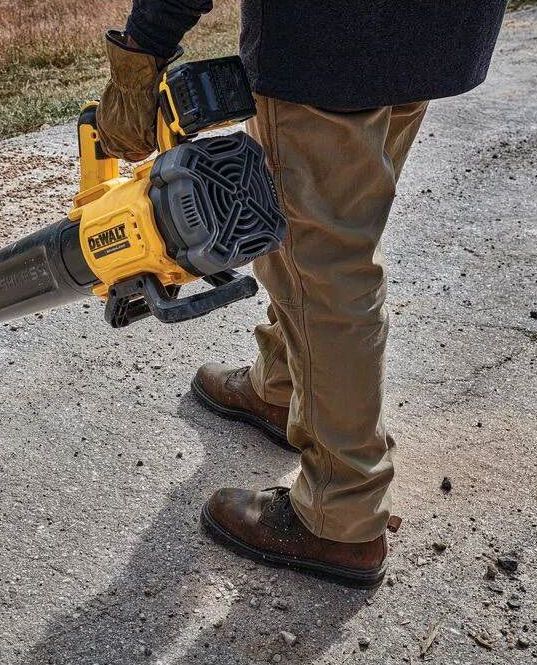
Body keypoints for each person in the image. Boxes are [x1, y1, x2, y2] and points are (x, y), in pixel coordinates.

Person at [96, 0, 507, 588]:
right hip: (437, 28)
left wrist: (143, 49)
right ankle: (282, 385)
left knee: (320, 263)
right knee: (324, 232)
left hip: (329, 38)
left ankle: (341, 513)